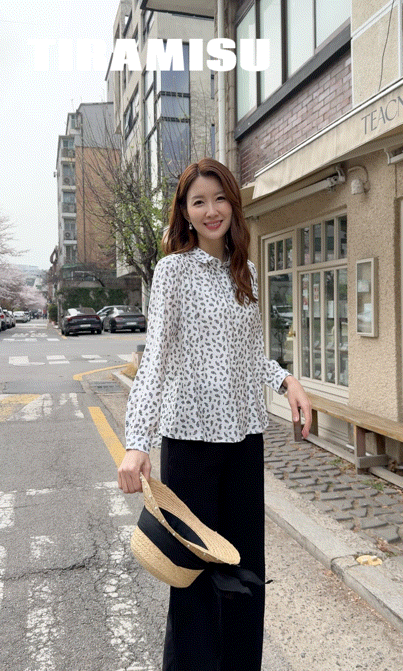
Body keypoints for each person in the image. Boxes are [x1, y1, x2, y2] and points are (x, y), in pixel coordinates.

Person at [118, 158, 312, 671]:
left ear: (233, 204)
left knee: (246, 573)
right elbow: (156, 359)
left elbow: (250, 355)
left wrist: (287, 380)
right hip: (190, 445)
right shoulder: (173, 272)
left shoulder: (246, 271)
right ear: (184, 212)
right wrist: (137, 442)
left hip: (244, 442)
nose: (211, 210)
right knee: (195, 578)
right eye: (198, 201)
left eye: (219, 198)